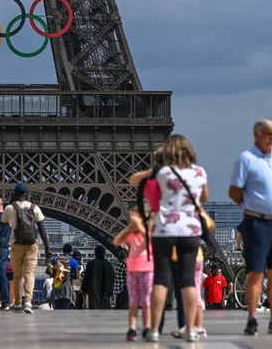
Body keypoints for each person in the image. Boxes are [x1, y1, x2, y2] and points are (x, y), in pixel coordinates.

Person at [131, 134, 208, 343]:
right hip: (190, 231)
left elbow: (135, 180)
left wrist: (154, 170)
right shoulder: (199, 172)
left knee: (161, 280)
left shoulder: (163, 172)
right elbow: (204, 197)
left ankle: (154, 329)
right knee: (189, 281)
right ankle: (191, 329)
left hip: (165, 230)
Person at [229, 118, 272, 335]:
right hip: (257, 221)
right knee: (256, 271)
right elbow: (234, 191)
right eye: (269, 134)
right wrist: (252, 206)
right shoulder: (246, 159)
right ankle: (252, 318)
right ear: (257, 134)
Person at [1, 183, 52, 313]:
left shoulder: (10, 208)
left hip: (16, 245)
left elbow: (2, 226)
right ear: (26, 194)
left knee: (17, 275)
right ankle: (28, 302)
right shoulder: (35, 208)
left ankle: (18, 302)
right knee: (29, 273)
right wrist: (47, 248)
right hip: (32, 245)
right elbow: (42, 229)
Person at [114, 211, 153, 340]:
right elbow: (117, 241)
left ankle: (147, 328)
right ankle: (132, 329)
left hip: (146, 270)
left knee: (146, 302)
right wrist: (128, 229)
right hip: (134, 270)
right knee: (134, 302)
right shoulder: (133, 236)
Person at [82, 245, 114, 310]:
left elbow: (86, 278)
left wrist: (84, 289)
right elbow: (112, 279)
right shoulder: (109, 264)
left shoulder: (91, 264)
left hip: (94, 292)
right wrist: (110, 291)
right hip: (106, 293)